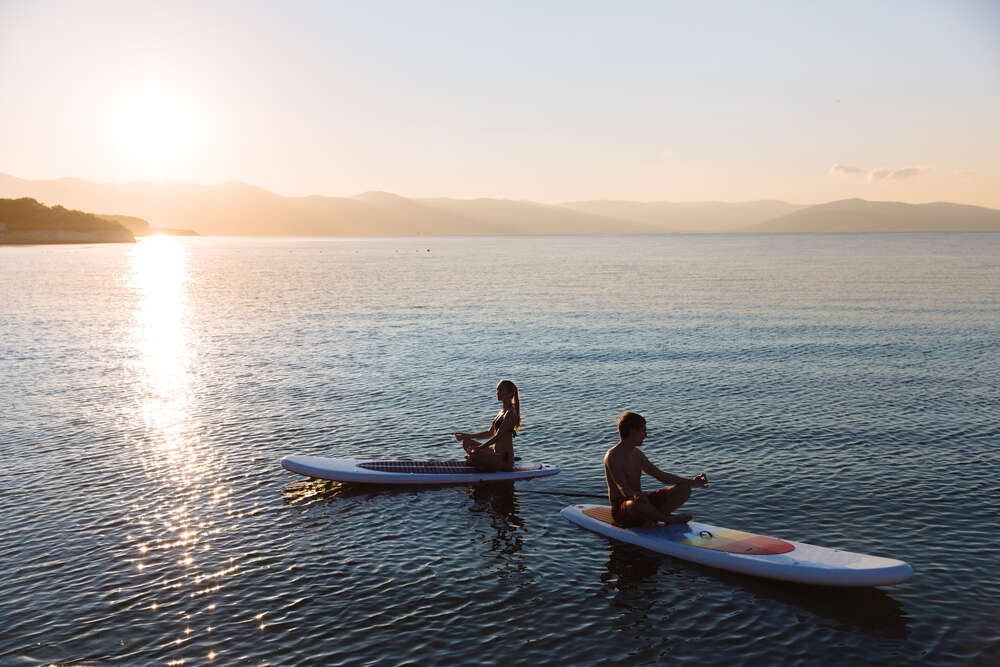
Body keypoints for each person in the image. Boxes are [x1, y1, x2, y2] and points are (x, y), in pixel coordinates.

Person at [604, 411, 708, 527]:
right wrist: (635, 496)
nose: (646, 435)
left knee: (684, 489)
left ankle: (650, 519)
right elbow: (622, 487)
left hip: (641, 501)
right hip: (624, 508)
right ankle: (667, 519)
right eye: (643, 430)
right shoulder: (613, 456)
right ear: (633, 431)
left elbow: (661, 476)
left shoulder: (638, 454)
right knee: (637, 504)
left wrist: (693, 482)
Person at [453, 379, 521, 472]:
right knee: (467, 443)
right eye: (497, 390)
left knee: (474, 453)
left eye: (500, 390)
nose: (497, 392)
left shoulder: (510, 413)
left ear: (509, 394)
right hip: (495, 454)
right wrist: (467, 435)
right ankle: (479, 462)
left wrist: (479, 448)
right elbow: (490, 433)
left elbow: (497, 437)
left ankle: (480, 463)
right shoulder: (501, 411)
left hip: (504, 459)